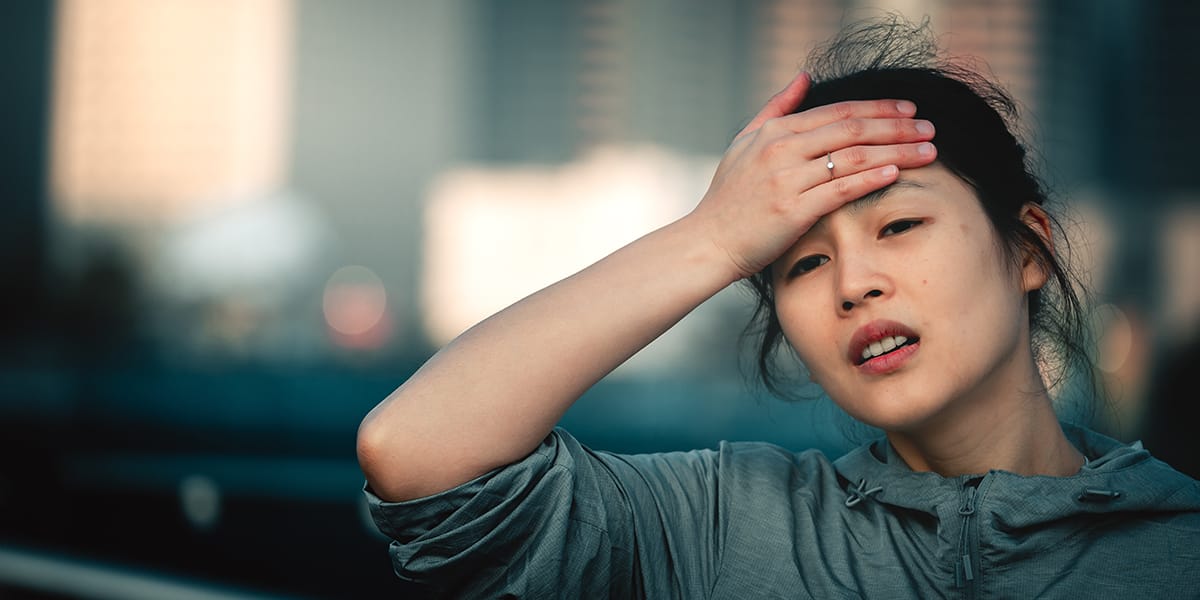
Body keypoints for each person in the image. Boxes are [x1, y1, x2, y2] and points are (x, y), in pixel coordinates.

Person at [356, 17, 1200, 598]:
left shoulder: (1180, 548)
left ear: (1025, 249)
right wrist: (712, 236)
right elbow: (419, 456)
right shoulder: (721, 528)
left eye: (899, 224)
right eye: (802, 263)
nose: (853, 283)